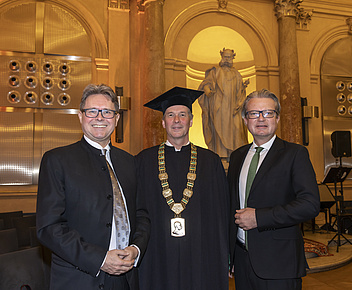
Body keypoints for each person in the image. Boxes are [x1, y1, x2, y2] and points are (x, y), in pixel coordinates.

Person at [36, 84, 150, 290]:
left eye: (107, 112)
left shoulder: (130, 162)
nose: (99, 117)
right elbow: (49, 228)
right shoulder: (57, 160)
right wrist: (100, 259)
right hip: (79, 279)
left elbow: (141, 213)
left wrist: (136, 248)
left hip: (127, 279)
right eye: (92, 111)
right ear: (80, 117)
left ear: (116, 119)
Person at [136, 87, 229, 290]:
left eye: (182, 114)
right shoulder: (144, 160)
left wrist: (225, 253)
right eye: (170, 115)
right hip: (157, 251)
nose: (176, 120)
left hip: (200, 250)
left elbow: (221, 213)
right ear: (163, 122)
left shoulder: (210, 162)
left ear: (191, 121)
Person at [227, 89, 320, 289]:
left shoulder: (295, 154)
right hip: (243, 263)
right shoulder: (237, 157)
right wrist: (230, 255)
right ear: (245, 119)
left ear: (277, 118)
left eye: (268, 113)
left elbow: (310, 205)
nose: (261, 118)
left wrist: (259, 218)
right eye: (254, 113)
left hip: (280, 262)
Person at [198, 48, 249, 158]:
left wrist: (242, 91)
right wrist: (207, 90)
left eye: (229, 57)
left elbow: (240, 92)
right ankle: (220, 155)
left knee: (236, 130)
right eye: (225, 57)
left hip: (234, 109)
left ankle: (234, 156)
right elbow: (206, 83)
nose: (226, 60)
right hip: (219, 108)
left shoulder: (237, 74)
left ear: (232, 58)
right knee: (219, 130)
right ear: (222, 57)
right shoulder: (215, 71)